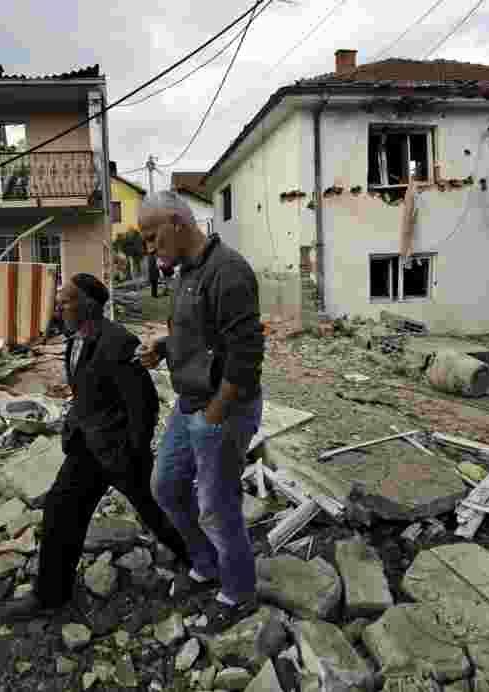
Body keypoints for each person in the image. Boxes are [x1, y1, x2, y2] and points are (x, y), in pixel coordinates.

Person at [3, 273, 192, 620]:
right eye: (59, 302)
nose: (60, 307)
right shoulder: (74, 339)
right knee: (61, 512)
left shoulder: (118, 341)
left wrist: (133, 451)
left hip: (120, 452)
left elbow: (144, 403)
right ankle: (50, 596)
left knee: (157, 512)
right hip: (86, 449)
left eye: (67, 301)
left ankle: (201, 561)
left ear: (90, 304)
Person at [136, 190, 266, 633]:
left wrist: (214, 415)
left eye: (153, 237)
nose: (150, 249)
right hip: (191, 403)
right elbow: (199, 338)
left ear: (177, 222)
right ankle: (206, 564)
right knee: (167, 486)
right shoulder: (186, 273)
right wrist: (163, 347)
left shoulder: (228, 271)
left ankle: (238, 591)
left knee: (216, 506)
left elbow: (246, 358)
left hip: (223, 409)